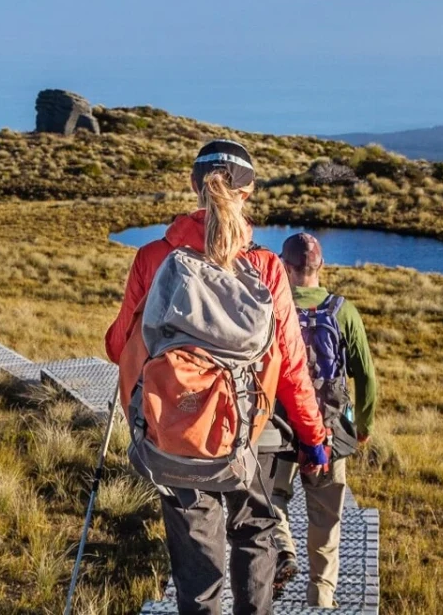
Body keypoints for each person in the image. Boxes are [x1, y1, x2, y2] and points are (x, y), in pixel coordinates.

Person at [106, 139, 329, 615]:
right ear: (247, 194)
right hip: (252, 432)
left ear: (194, 186)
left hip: (174, 429)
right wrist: (313, 436)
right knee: (255, 532)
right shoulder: (266, 266)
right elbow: (290, 364)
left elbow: (116, 345)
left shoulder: (152, 258)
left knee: (195, 554)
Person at [269, 232, 378, 608]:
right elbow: (365, 375)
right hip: (329, 431)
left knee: (271, 499)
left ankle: (282, 549)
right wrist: (362, 426)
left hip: (277, 428)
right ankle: (322, 597)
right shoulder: (342, 311)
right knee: (327, 520)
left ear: (284, 266)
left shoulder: (272, 306)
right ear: (321, 267)